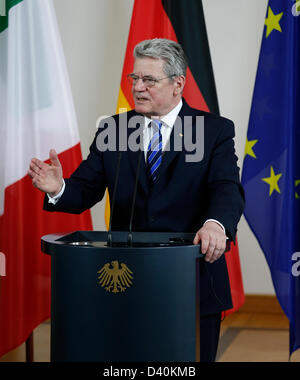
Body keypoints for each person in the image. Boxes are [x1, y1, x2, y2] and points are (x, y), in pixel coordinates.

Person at [28, 38, 244, 362]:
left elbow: (226, 188)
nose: (138, 87)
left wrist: (215, 225)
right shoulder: (114, 129)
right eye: (135, 79)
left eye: (148, 80)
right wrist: (59, 187)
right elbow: (84, 190)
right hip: (125, 280)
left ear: (177, 84)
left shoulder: (213, 131)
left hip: (191, 280)